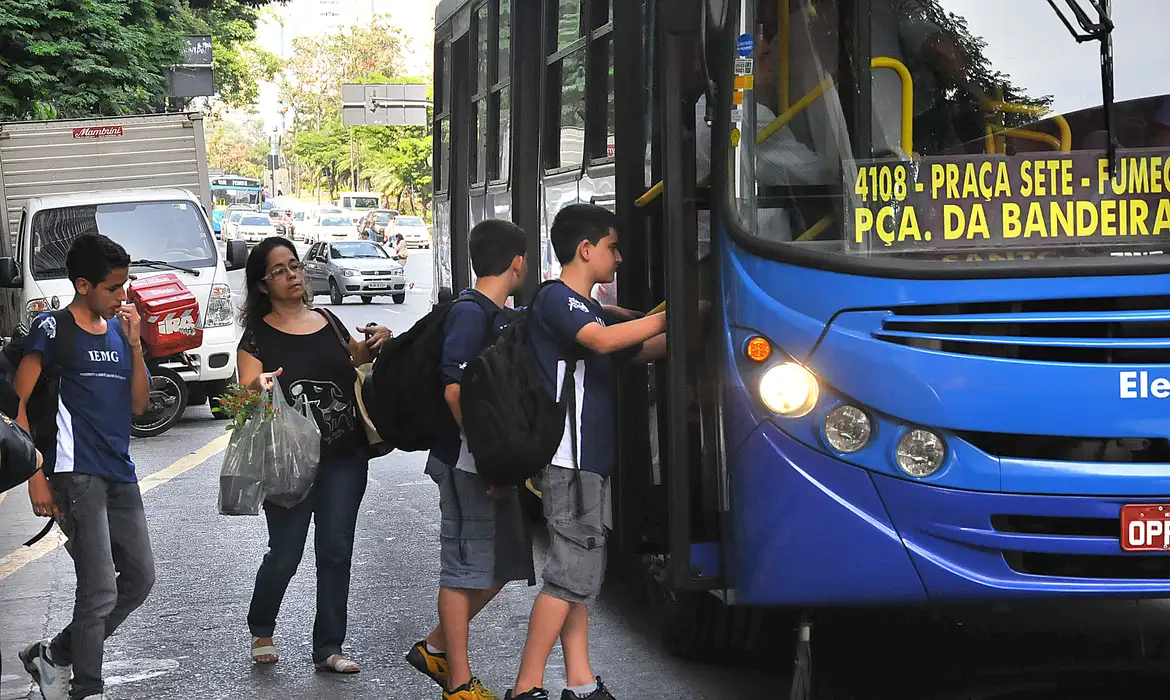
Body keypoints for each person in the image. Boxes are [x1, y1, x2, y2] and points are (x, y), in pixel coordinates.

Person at [507, 204, 667, 700]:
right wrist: (673, 316)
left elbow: (634, 349)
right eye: (613, 247)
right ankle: (526, 686)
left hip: (583, 460)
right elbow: (604, 340)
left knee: (576, 573)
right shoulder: (559, 300)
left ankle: (580, 682)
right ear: (585, 249)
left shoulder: (587, 309)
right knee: (570, 573)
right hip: (568, 459)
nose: (618, 258)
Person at [236, 236, 391, 673]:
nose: (292, 276)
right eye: (280, 271)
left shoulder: (327, 320)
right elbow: (247, 384)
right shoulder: (257, 336)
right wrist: (260, 386)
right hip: (288, 461)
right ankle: (262, 628)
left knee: (336, 550)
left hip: (344, 455)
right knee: (285, 552)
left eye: (295, 266)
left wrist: (377, 343)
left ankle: (329, 647)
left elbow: (355, 360)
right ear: (264, 285)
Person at [16, 233, 153, 700]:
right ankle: (86, 689)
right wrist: (35, 475)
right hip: (74, 475)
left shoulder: (120, 331)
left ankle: (54, 654)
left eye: (125, 286)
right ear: (82, 285)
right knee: (99, 591)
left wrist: (135, 346)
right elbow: (16, 406)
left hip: (120, 471)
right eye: (114, 289)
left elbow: (139, 406)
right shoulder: (53, 330)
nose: (123, 297)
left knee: (138, 579)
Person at [406, 219, 535, 700]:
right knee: (464, 568)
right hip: (464, 461)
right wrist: (487, 459)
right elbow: (455, 389)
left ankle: (437, 647)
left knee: (503, 563)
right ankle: (458, 681)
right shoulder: (470, 313)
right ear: (518, 262)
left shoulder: (496, 311)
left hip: (475, 460)